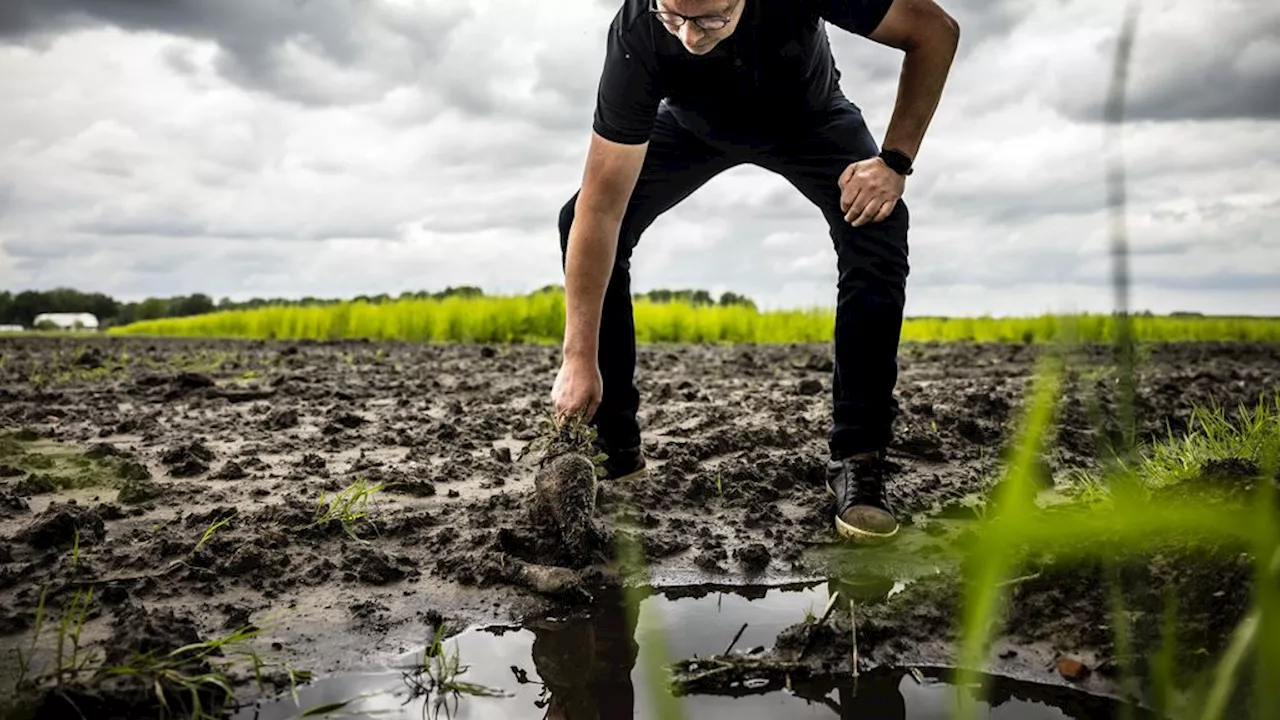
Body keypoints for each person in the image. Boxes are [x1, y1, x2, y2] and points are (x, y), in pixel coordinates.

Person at [550, 0, 960, 543]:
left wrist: (895, 162)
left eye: (712, 20)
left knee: (879, 225)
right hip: (696, 128)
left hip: (810, 121)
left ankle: (859, 459)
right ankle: (616, 447)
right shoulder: (639, 32)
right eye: (677, 19)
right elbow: (600, 211)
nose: (692, 39)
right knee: (577, 218)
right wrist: (578, 358)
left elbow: (935, 31)